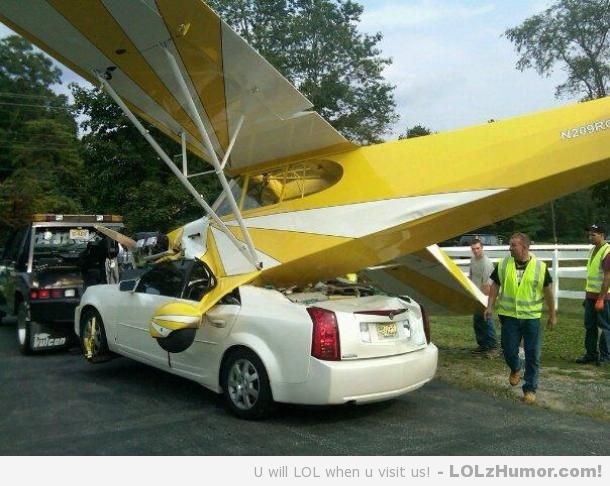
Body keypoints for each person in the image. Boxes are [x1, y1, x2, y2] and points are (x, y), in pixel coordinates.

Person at [484, 232, 556, 404]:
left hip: (531, 318)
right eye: (510, 245)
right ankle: (515, 367)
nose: (510, 248)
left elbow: (548, 292)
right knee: (508, 350)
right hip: (509, 317)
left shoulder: (540, 267)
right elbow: (495, 285)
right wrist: (489, 306)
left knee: (532, 354)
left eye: (513, 245)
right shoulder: (503, 264)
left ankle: (530, 389)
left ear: (524, 247)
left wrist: (552, 314)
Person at [575, 223, 610, 365]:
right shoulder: (592, 251)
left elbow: (607, 277)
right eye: (589, 234)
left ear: (602, 235)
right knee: (590, 326)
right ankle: (591, 354)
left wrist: (601, 299)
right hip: (591, 295)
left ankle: (606, 356)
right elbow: (592, 275)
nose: (589, 237)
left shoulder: (607, 252)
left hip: (604, 297)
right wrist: (587, 296)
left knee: (605, 326)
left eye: (593, 235)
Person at [469, 238, 498, 354]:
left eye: (477, 248)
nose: (475, 251)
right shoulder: (473, 260)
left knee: (486, 320)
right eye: (473, 249)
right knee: (477, 321)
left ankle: (493, 346)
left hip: (485, 295)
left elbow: (487, 285)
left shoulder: (486, 263)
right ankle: (483, 344)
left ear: (482, 248)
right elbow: (471, 276)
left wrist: (484, 300)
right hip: (476, 294)